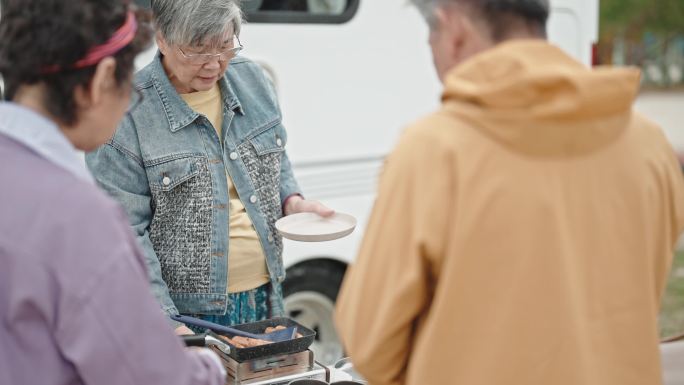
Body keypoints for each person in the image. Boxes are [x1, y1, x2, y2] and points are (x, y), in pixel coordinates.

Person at [334, 1, 684, 385]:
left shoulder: (435, 149)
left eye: (429, 36)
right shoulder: (649, 145)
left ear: (454, 28)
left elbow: (370, 343)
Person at [0, 0, 226, 384]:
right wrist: (210, 366)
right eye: (129, 88)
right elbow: (150, 375)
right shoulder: (74, 217)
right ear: (103, 79)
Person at [86, 0, 333, 335]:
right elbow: (125, 235)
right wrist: (167, 322)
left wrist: (292, 200)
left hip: (267, 294)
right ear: (162, 38)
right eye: (198, 50)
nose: (214, 64)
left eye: (225, 46)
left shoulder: (252, 79)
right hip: (186, 316)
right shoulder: (126, 113)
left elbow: (276, 154)